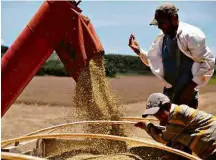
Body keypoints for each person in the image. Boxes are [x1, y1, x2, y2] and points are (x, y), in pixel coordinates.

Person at [128, 3, 215, 109]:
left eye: (161, 23)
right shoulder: (163, 38)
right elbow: (155, 62)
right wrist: (138, 51)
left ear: (174, 18)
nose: (159, 26)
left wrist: (190, 88)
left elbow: (208, 62)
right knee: (167, 124)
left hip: (187, 95)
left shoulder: (192, 35)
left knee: (184, 125)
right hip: (168, 93)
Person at [135, 93, 216, 160]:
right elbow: (177, 140)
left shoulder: (177, 114)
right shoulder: (177, 119)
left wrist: (147, 125)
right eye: (155, 115)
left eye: (159, 114)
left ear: (168, 106)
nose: (158, 118)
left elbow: (163, 139)